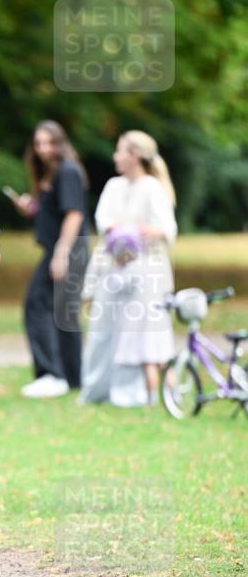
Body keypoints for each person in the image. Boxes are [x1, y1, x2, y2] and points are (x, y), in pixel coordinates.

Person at [79, 130, 177, 407]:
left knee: (135, 333)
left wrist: (136, 233)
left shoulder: (152, 188)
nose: (116, 156)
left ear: (134, 155)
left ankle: (131, 394)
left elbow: (166, 229)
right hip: (113, 268)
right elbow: (104, 221)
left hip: (145, 270)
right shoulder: (113, 186)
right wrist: (119, 235)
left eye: (120, 150)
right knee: (103, 327)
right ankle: (98, 388)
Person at [14, 121, 89, 398]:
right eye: (38, 143)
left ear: (60, 143)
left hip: (67, 250)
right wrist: (32, 209)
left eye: (49, 142)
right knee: (64, 314)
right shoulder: (51, 172)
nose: (43, 148)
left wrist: (61, 253)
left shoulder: (67, 171)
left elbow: (74, 214)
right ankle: (71, 377)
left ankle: (50, 373)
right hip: (63, 249)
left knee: (36, 305)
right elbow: (55, 212)